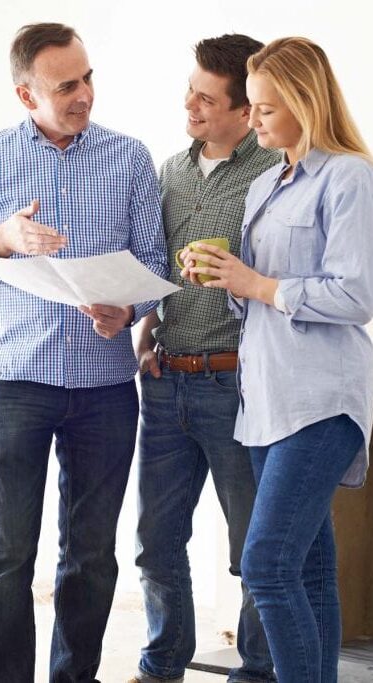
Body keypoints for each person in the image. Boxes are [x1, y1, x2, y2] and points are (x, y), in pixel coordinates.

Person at [0, 22, 168, 683]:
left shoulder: (129, 158)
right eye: (66, 85)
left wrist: (126, 309)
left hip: (104, 388)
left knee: (92, 555)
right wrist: (2, 240)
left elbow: (153, 261)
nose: (84, 94)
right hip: (15, 382)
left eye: (88, 77)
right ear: (25, 93)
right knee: (6, 552)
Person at [180, 36, 373, 683]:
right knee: (310, 567)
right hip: (263, 399)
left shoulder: (348, 176)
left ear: (301, 101)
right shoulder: (264, 183)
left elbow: (355, 293)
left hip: (321, 399)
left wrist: (256, 284)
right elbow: (256, 294)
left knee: (264, 563)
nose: (254, 121)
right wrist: (221, 277)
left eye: (264, 109)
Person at [129, 35, 278, 683]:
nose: (188, 104)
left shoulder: (274, 172)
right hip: (166, 381)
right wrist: (145, 320)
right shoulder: (169, 170)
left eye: (205, 97)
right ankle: (161, 665)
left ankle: (257, 670)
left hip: (238, 384)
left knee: (253, 549)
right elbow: (156, 262)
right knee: (156, 543)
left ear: (245, 112)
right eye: (188, 89)